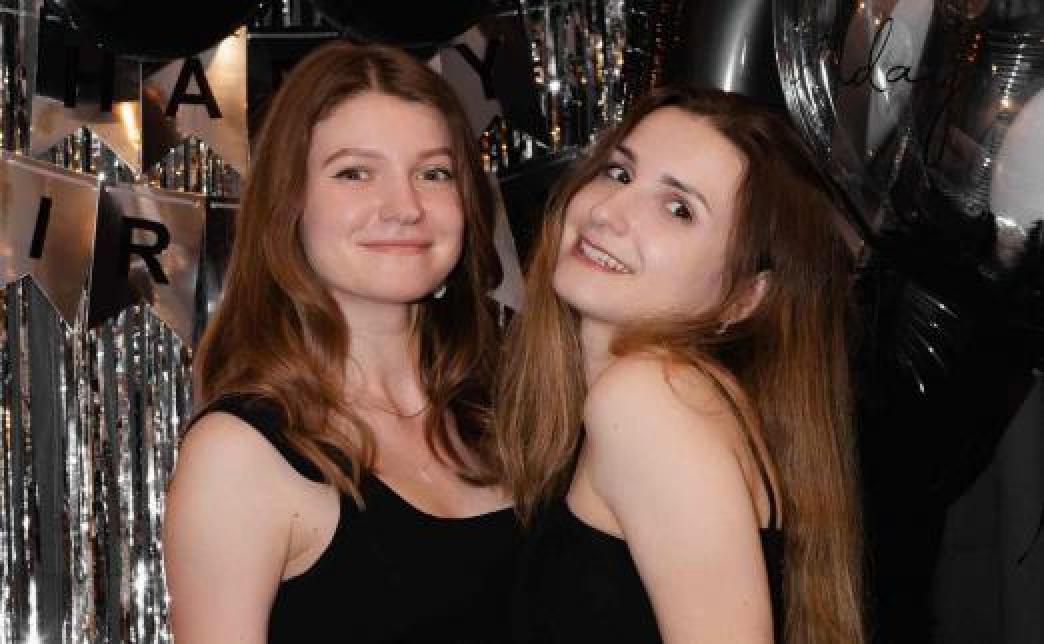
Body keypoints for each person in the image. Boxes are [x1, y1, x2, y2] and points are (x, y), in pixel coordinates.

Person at [163, 42, 519, 643]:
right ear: (290, 204)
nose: (405, 207)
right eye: (355, 173)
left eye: (434, 173)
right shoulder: (241, 454)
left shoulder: (508, 415)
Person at [497, 87, 865, 643]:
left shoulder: (649, 399)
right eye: (619, 173)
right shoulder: (679, 398)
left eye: (678, 209)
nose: (607, 213)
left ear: (744, 297)